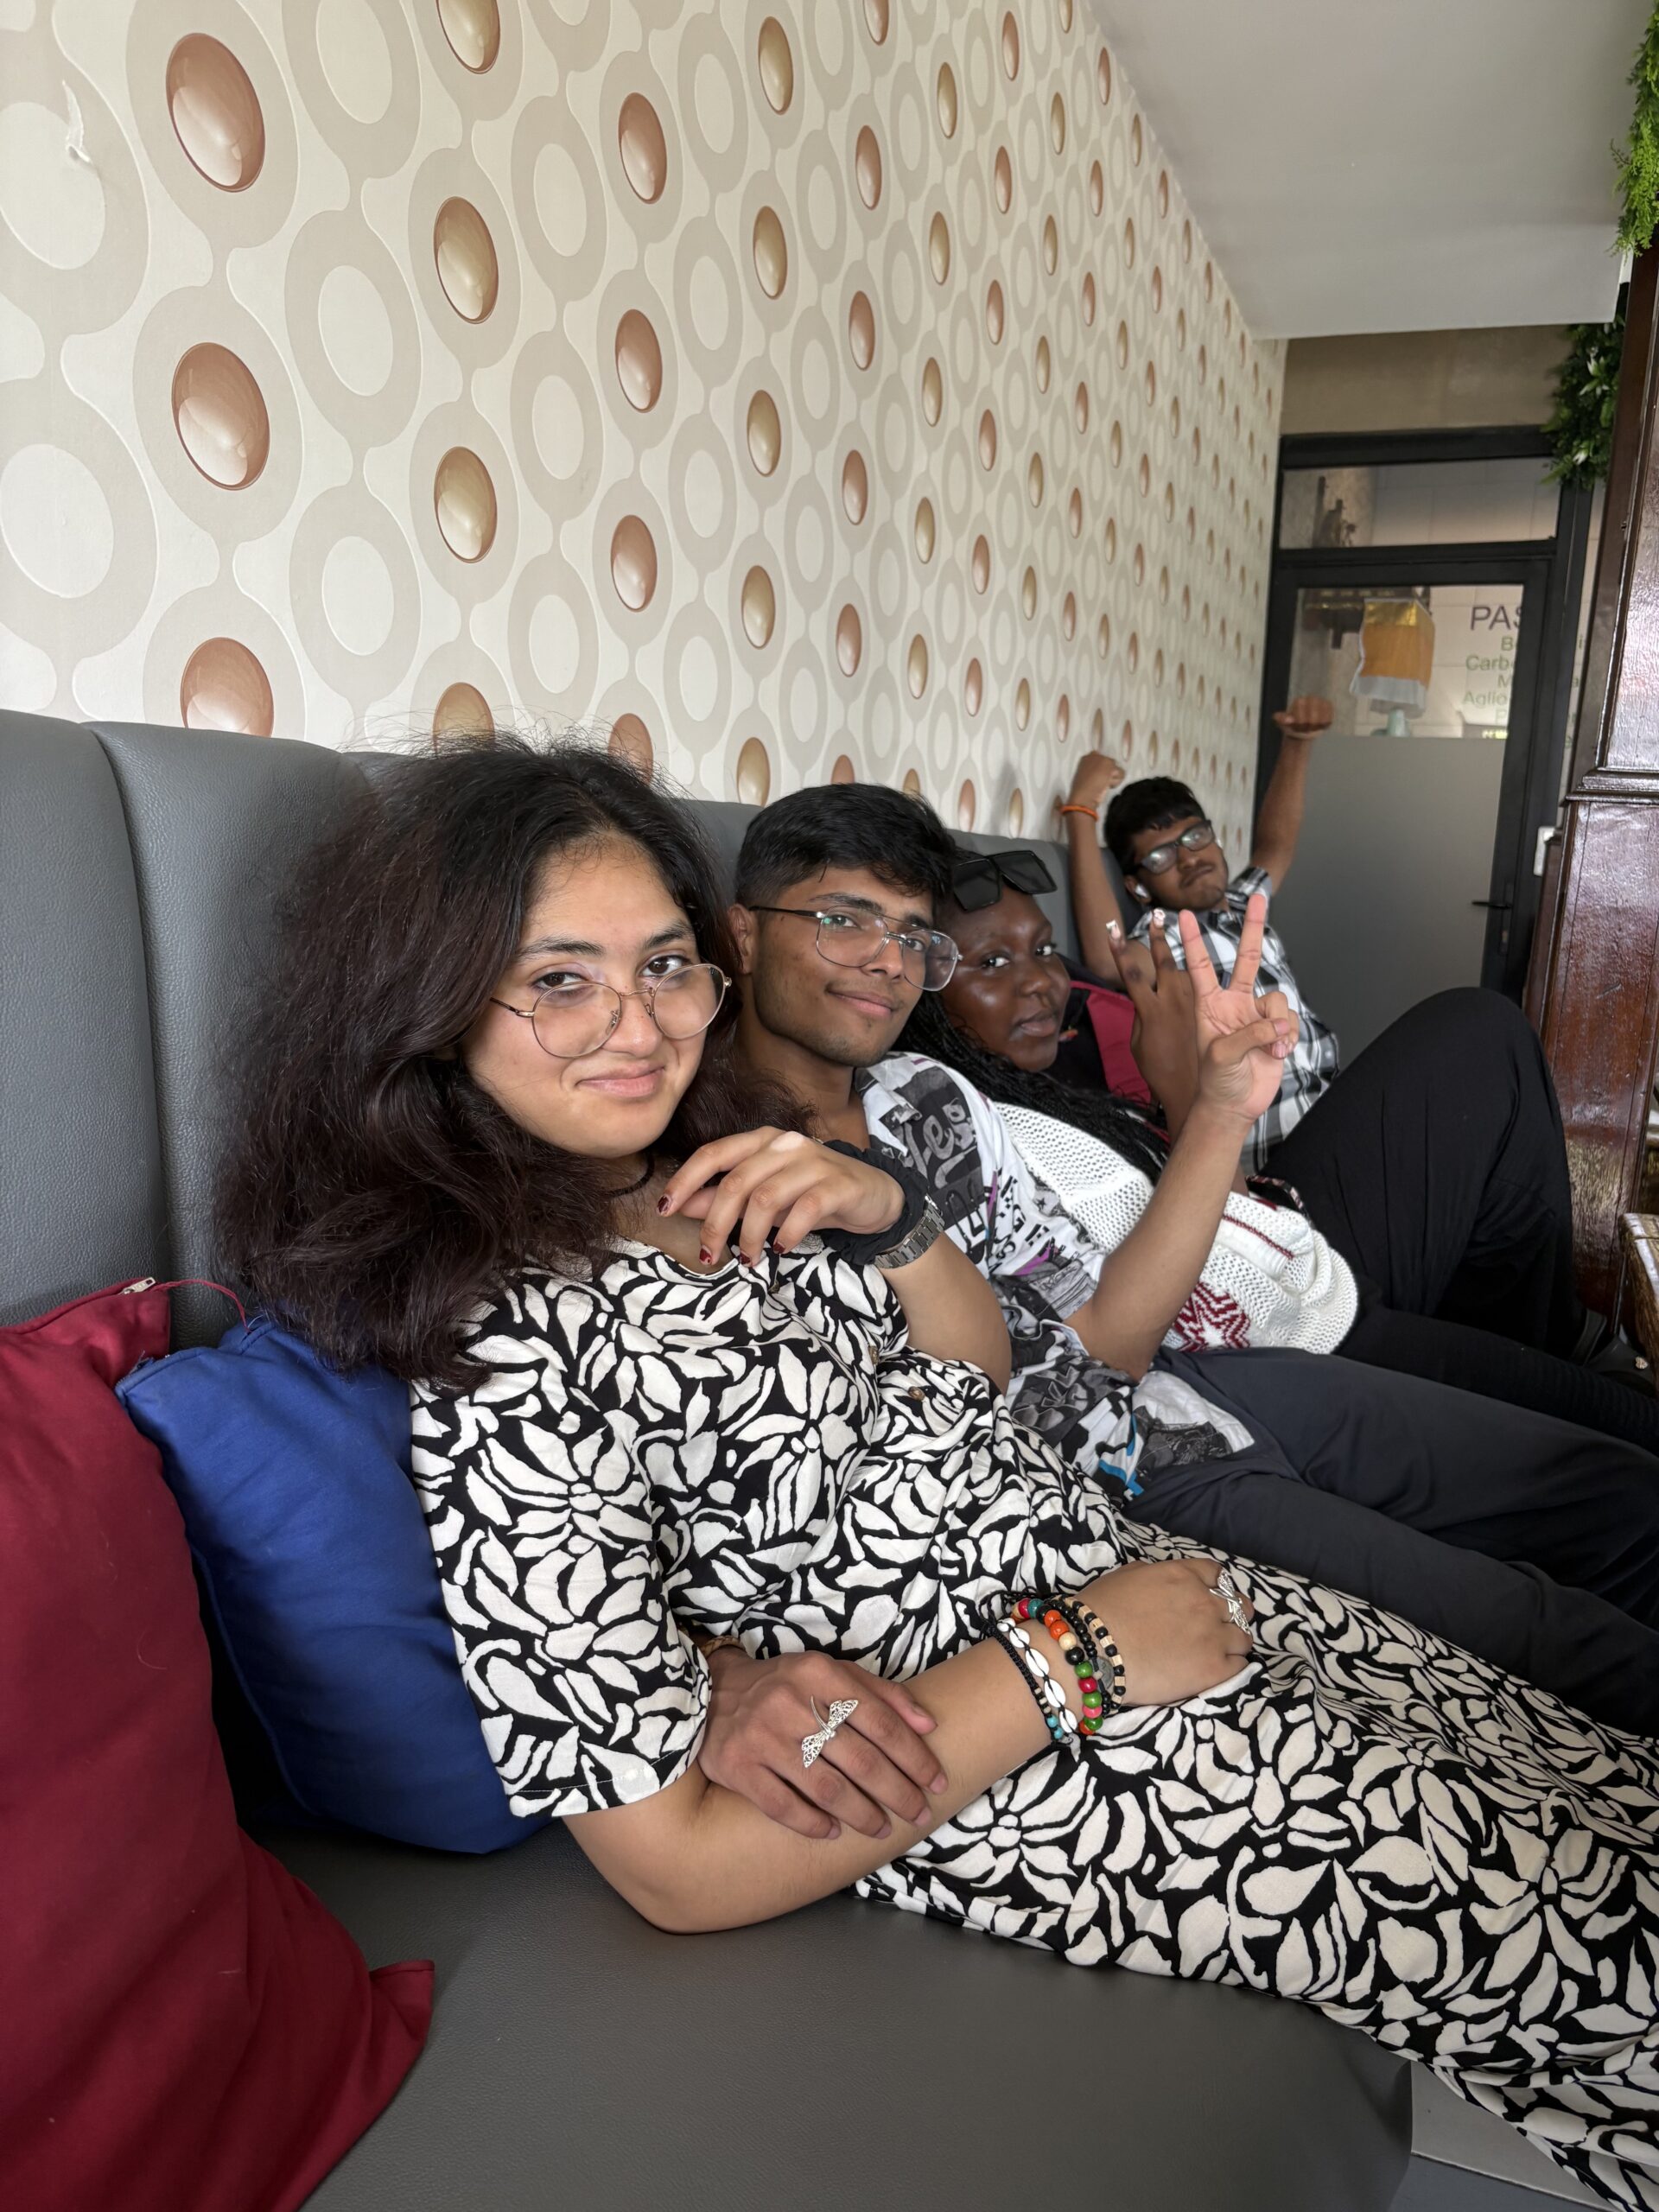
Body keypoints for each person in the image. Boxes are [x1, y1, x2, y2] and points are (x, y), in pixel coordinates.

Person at [218, 735, 1659, 2210]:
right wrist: (1075, 1657)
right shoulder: (506, 1352)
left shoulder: (715, 1179)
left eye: (663, 967)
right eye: (561, 980)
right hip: (1041, 1744)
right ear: (433, 1003)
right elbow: (668, 1862)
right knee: (1598, 1930)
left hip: (1136, 1587)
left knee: (1594, 1771)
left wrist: (890, 1216)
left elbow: (967, 1386)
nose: (636, 1025)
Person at [728, 779, 1659, 1736]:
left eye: (911, 935)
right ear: (745, 934)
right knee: (1547, 1634)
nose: (885, 960)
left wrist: (1217, 1104)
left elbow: (1108, 1338)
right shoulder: (724, 1177)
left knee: (1616, 1493)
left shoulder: (926, 1095)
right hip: (1118, 1490)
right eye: (845, 921)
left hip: (1196, 1385)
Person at [912, 844, 1659, 1451]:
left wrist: (1192, 1086)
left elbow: (1231, 1214)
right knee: (1622, 1431)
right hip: (1271, 1340)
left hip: (1277, 1242)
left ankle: (1552, 1343)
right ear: (917, 990)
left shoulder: (1062, 1067)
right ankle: (1560, 1347)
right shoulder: (955, 1133)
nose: (1043, 982)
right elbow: (1152, 1322)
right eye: (992, 964)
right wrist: (1194, 1092)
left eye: (1043, 949)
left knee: (1481, 1038)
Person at [1061, 701, 1336, 1169]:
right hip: (1277, 1150)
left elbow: (1276, 844)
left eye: (1194, 837)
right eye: (1161, 857)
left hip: (1330, 1107)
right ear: (1138, 887)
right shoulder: (1162, 940)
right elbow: (1110, 962)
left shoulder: (1246, 903)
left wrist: (1297, 744)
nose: (1189, 858)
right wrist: (1080, 811)